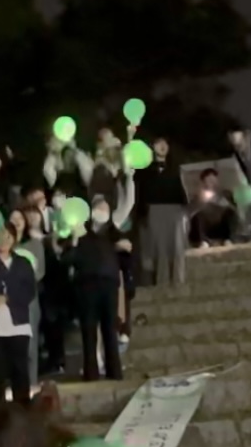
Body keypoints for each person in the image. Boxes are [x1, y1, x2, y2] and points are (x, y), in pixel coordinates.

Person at [67, 183, 135, 383]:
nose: (102, 211)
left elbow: (126, 260)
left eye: (105, 208)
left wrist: (125, 250)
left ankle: (114, 371)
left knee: (109, 329)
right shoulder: (81, 232)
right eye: (98, 207)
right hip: (87, 284)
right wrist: (73, 241)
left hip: (109, 284)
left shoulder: (113, 233)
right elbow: (69, 259)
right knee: (89, 329)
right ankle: (91, 372)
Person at [0, 226, 36, 404]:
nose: (4, 240)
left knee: (20, 370)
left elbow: (30, 291)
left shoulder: (23, 263)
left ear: (14, 239)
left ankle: (23, 409)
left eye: (8, 236)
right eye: (0, 236)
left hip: (18, 323)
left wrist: (8, 298)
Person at [135, 138, 188, 287]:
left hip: (174, 209)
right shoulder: (144, 170)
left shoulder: (174, 168)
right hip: (154, 209)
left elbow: (181, 190)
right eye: (159, 143)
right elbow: (141, 192)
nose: (163, 146)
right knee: (158, 247)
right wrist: (142, 213)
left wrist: (184, 208)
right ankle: (161, 280)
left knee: (176, 246)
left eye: (165, 143)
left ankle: (177, 279)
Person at [188, 168, 237, 248]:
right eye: (209, 180)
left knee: (230, 213)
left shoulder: (225, 194)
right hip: (207, 226)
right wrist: (202, 203)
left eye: (213, 179)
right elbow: (191, 213)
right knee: (199, 216)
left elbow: (234, 210)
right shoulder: (198, 196)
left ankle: (228, 239)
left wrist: (224, 204)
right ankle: (203, 241)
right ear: (204, 182)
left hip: (220, 225)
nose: (211, 182)